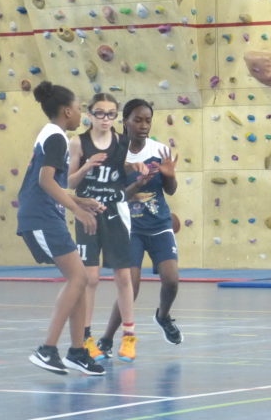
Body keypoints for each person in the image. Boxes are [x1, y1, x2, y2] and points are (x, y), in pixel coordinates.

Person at [17, 81, 106, 376]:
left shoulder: (51, 135)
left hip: (46, 214)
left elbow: (50, 183)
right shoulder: (56, 137)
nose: (81, 113)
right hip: (41, 217)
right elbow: (44, 181)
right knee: (79, 278)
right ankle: (47, 349)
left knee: (79, 280)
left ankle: (77, 352)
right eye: (79, 108)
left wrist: (80, 200)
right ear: (67, 111)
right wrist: (76, 210)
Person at [97, 98, 182, 356]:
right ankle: (107, 339)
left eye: (148, 120)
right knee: (130, 288)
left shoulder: (160, 150)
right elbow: (114, 195)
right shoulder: (114, 154)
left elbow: (170, 190)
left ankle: (163, 316)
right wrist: (137, 184)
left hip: (159, 224)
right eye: (138, 120)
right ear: (125, 121)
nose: (144, 125)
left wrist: (170, 177)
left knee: (171, 280)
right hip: (128, 228)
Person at [68, 93, 144, 363]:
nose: (105, 118)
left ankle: (129, 336)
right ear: (89, 114)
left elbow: (118, 168)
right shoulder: (78, 142)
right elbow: (70, 183)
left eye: (111, 114)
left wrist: (134, 167)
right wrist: (87, 166)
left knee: (123, 275)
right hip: (87, 211)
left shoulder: (122, 142)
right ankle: (86, 338)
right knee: (90, 278)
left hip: (115, 211)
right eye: (100, 113)